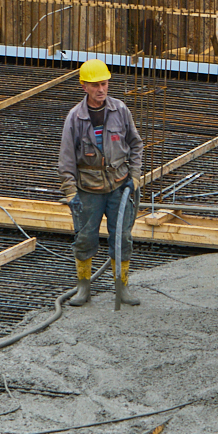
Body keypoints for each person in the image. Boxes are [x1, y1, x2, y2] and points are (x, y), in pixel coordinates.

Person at [56, 59, 145, 307]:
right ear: (84, 86)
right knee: (85, 239)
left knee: (122, 238)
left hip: (119, 186)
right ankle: (84, 288)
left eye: (104, 84)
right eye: (95, 85)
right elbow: (66, 159)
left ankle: (122, 286)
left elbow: (136, 145)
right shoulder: (75, 118)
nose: (101, 90)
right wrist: (71, 192)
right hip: (88, 190)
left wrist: (134, 177)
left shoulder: (120, 111)